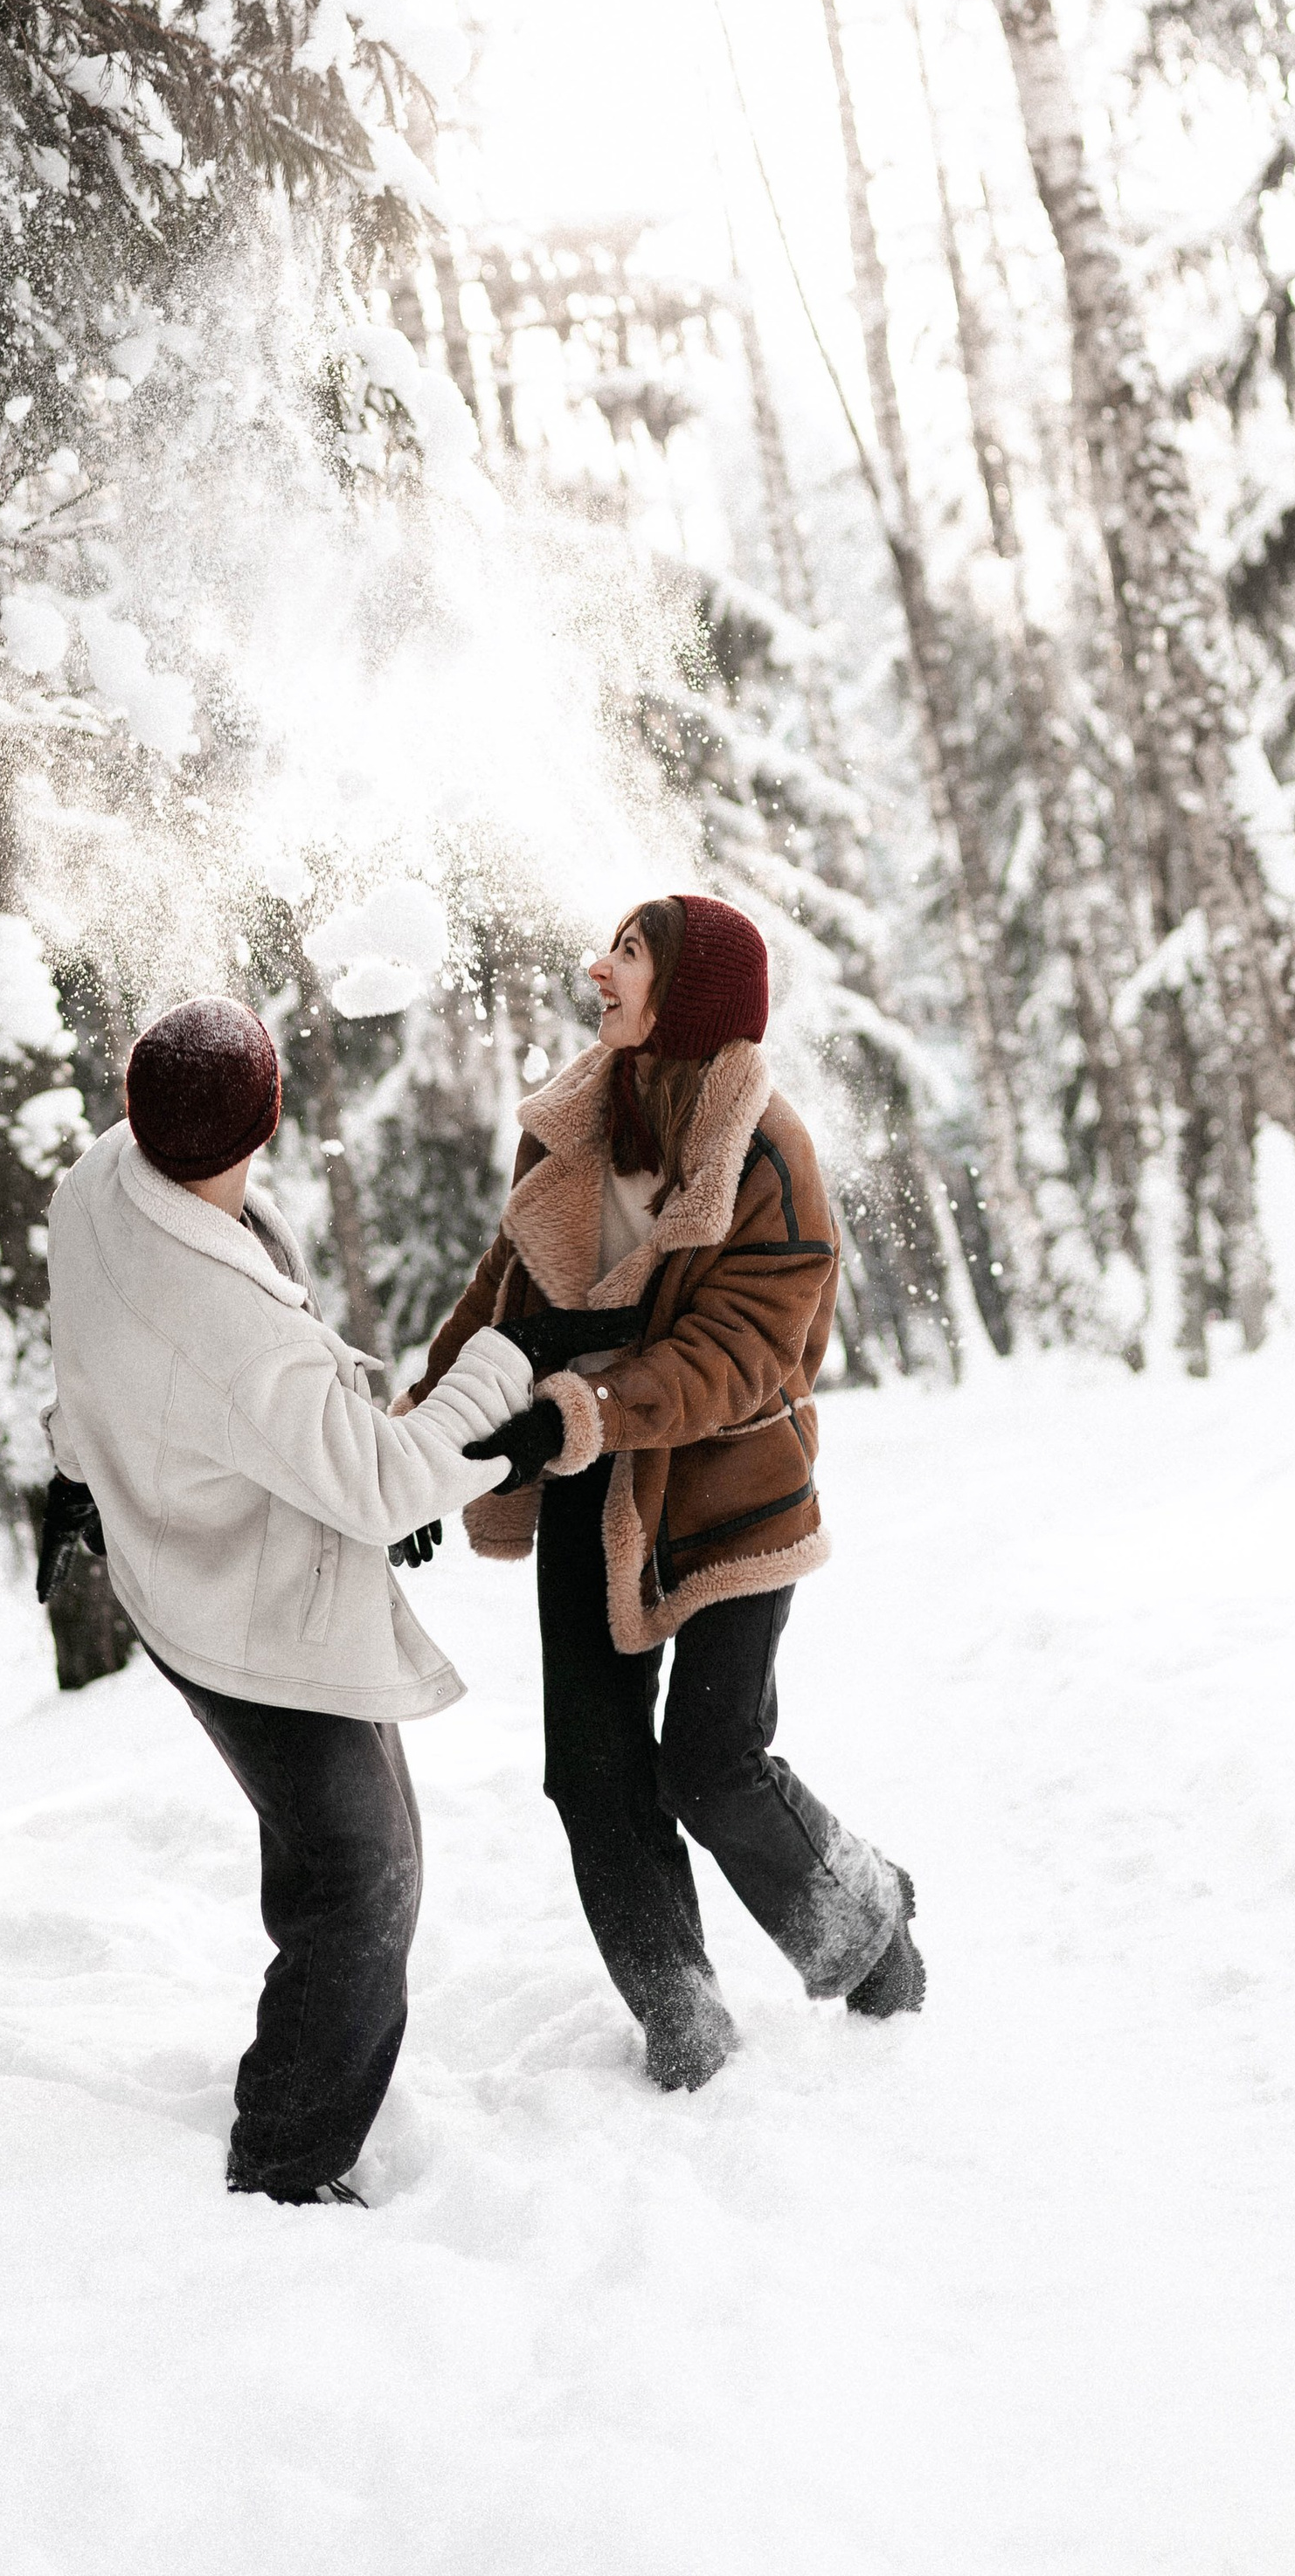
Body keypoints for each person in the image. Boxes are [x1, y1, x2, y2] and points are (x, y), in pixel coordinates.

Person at [411, 894, 924, 2091]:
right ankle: (679, 2009)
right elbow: (500, 1301)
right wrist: (416, 1460)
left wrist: (586, 1412)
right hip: (589, 1483)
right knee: (590, 1766)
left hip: (729, 1485)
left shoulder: (766, 1155)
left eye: (628, 955)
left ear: (684, 994)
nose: (598, 969)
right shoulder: (576, 1131)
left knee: (712, 1759)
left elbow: (745, 1351)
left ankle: (863, 1926)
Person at [36, 994, 540, 2203]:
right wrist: (503, 1379)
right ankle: (286, 2167)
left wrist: (69, 1466)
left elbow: (94, 1355)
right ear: (266, 1122)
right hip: (246, 1621)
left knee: (332, 1857)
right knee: (367, 1876)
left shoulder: (103, 1178)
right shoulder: (218, 1317)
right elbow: (375, 1481)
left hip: (194, 1555)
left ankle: (294, 2124)